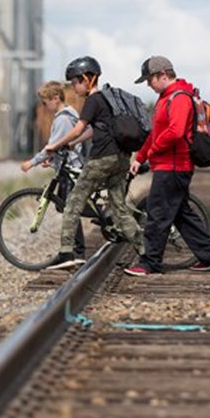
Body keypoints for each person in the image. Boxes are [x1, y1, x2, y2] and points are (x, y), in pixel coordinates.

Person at [124, 56, 210, 276]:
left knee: (157, 214)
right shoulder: (165, 98)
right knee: (180, 214)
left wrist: (152, 153)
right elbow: (156, 133)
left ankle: (150, 262)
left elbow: (176, 132)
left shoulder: (179, 98)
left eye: (150, 79)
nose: (148, 85)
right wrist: (140, 158)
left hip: (174, 166)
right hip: (168, 165)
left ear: (163, 75)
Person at [42, 57, 141, 270]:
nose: (74, 87)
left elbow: (78, 128)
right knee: (120, 210)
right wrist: (72, 144)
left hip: (102, 159)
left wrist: (54, 145)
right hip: (121, 157)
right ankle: (146, 252)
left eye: (76, 82)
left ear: (87, 79)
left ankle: (67, 253)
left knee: (72, 204)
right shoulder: (106, 100)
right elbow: (93, 130)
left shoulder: (93, 100)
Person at [21, 80, 87, 258]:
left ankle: (77, 252)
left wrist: (32, 162)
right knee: (67, 208)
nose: (44, 106)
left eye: (45, 102)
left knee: (69, 209)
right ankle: (76, 250)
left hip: (71, 169)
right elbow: (61, 147)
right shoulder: (67, 115)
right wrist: (53, 161)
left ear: (55, 98)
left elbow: (52, 145)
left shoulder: (64, 118)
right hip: (68, 166)